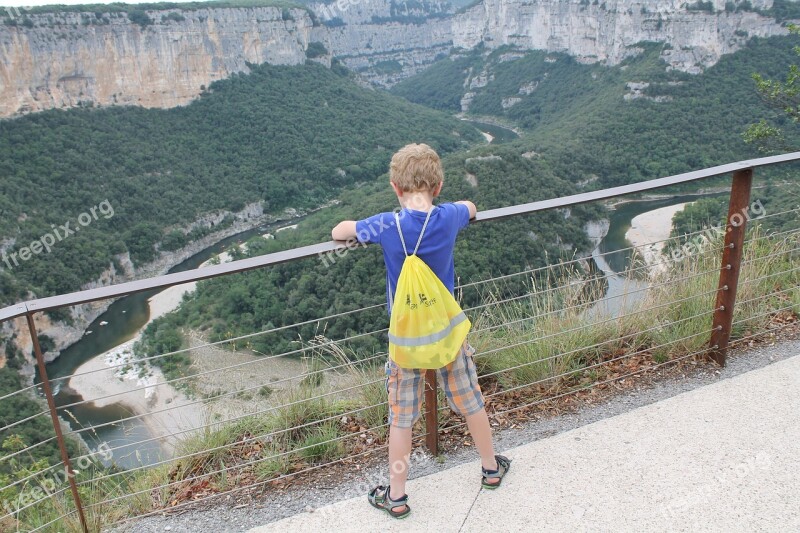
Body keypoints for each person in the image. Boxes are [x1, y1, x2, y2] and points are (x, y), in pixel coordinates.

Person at [331, 143, 511, 519]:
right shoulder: (448, 217)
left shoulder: (386, 224)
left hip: (407, 341)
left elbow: (339, 231)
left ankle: (397, 496)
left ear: (395, 187)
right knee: (470, 400)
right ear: (439, 186)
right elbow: (472, 208)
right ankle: (491, 468)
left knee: (401, 417)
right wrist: (456, 204)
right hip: (447, 334)